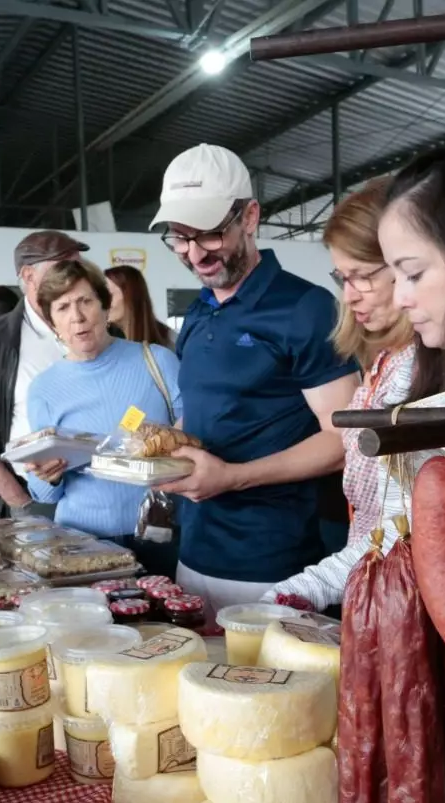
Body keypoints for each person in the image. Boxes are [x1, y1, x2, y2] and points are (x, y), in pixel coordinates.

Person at [149, 143, 360, 610]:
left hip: (273, 561)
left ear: (249, 217)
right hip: (195, 551)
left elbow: (344, 438)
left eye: (208, 234)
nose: (193, 254)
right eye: (179, 238)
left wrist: (234, 477)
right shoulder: (200, 311)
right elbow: (208, 420)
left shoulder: (304, 308)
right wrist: (160, 451)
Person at [262, 176, 420, 612]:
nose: (349, 296)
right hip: (374, 588)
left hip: (397, 593)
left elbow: (400, 533)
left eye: (363, 277)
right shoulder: (384, 362)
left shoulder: (421, 375)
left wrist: (293, 593)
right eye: (342, 277)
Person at [24, 260, 184, 576]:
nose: (77, 317)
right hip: (82, 542)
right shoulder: (43, 389)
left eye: (86, 301)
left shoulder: (158, 361)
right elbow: (42, 493)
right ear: (52, 322)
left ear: (105, 306)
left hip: (161, 531)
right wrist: (49, 475)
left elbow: (195, 434)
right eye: (63, 307)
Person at [0, 230, 89, 520]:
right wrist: (22, 504)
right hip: (31, 498)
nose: (76, 277)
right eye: (63, 267)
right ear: (29, 276)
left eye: (79, 267)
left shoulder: (98, 330)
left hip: (99, 496)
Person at [105, 263, 175, 349]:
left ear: (131, 296)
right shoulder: (105, 340)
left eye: (109, 295)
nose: (103, 302)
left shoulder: (170, 340)